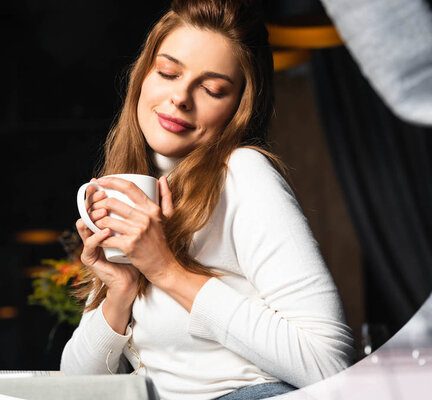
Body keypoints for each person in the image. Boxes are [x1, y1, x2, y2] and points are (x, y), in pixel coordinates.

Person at [61, 1, 355, 399]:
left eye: (212, 89)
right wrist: (121, 289)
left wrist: (166, 270)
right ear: (143, 76)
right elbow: (75, 385)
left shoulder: (242, 173)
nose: (181, 96)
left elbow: (331, 364)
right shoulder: (139, 185)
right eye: (168, 72)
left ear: (238, 107)